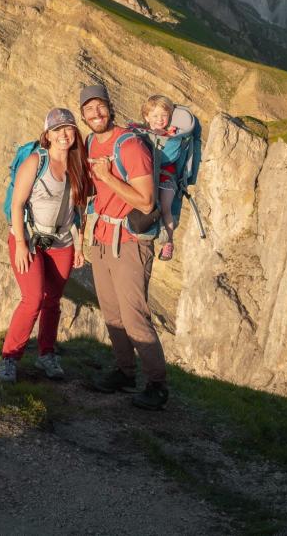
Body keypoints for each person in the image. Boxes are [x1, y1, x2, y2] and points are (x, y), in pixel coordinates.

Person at [80, 84, 169, 410]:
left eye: (100, 107)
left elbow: (146, 202)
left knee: (134, 316)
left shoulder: (130, 146)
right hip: (102, 238)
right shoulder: (91, 142)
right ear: (84, 116)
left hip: (130, 241)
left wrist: (106, 177)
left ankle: (157, 385)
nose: (96, 114)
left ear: (109, 107)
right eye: (89, 110)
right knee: (113, 313)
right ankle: (124, 371)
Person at [0, 107, 90, 384]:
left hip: (62, 242)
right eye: (58, 130)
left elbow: (81, 208)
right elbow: (17, 204)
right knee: (33, 299)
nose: (64, 134)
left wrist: (81, 243)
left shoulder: (78, 163)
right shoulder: (36, 162)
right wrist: (22, 245)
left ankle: (46, 354)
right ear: (47, 135)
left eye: (69, 128)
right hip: (30, 240)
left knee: (53, 301)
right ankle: (9, 358)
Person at [138, 94, 179, 261]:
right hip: (148, 176)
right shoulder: (142, 132)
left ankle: (168, 242)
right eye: (155, 116)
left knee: (166, 209)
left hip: (166, 179)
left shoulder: (172, 135)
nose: (160, 119)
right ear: (146, 117)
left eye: (164, 115)